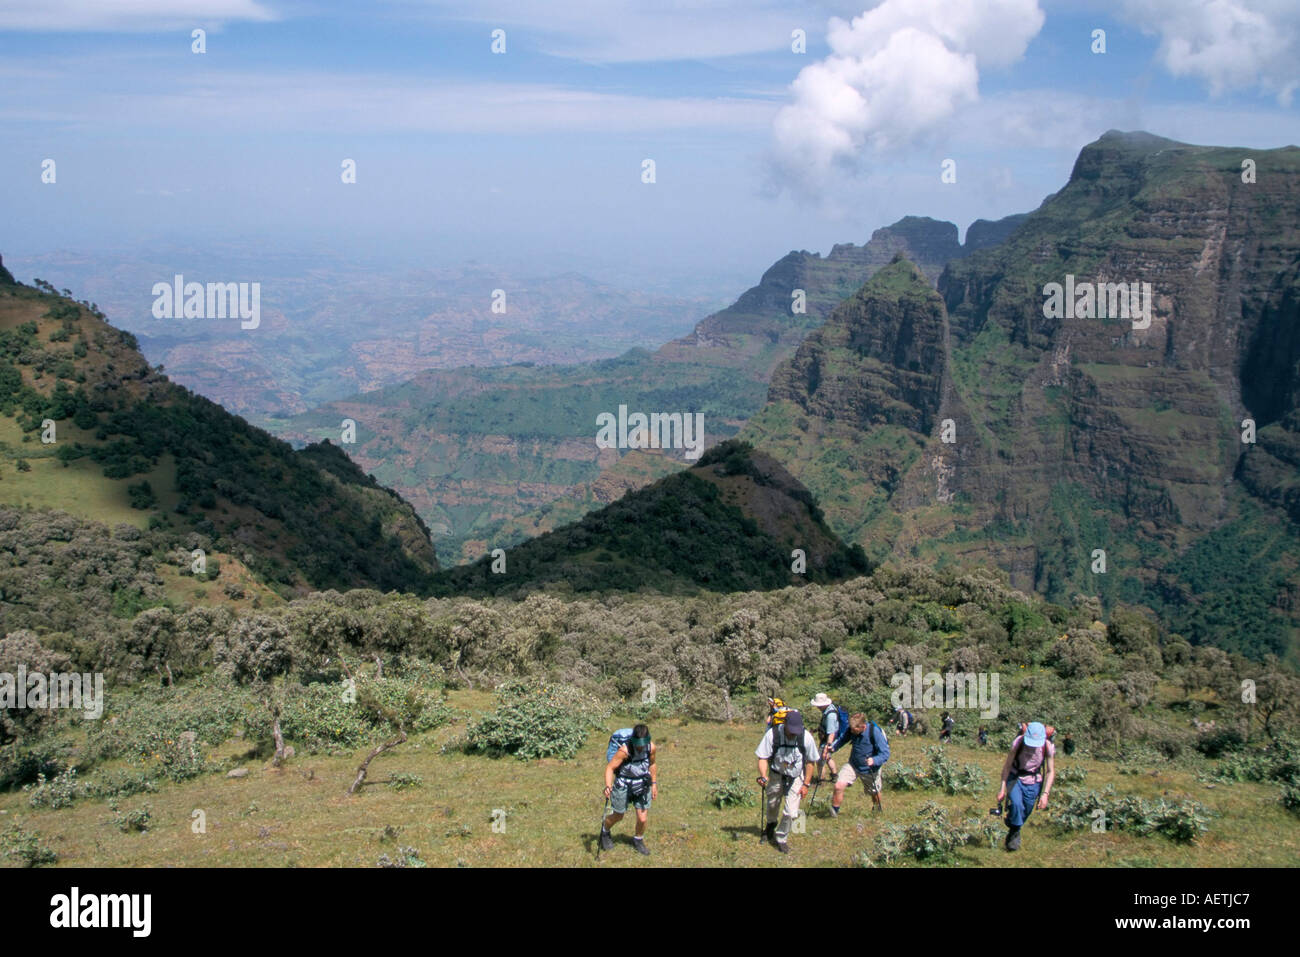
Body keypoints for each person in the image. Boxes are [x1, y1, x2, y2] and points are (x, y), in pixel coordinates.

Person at [755, 710, 819, 854]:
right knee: (772, 804)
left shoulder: (806, 737)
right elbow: (763, 757)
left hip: (796, 778)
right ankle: (771, 824)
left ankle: (781, 838)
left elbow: (810, 762)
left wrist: (806, 784)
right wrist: (763, 776)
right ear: (784, 724)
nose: (794, 733)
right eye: (791, 730)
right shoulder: (773, 734)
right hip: (776, 775)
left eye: (797, 730)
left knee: (791, 812)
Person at [996, 721, 1055, 852]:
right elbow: (1007, 766)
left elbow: (1051, 771)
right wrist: (1002, 788)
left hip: (1034, 781)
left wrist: (1045, 794)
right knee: (1017, 804)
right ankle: (1014, 834)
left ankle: (1013, 825)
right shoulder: (1018, 743)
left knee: (1026, 810)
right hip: (1015, 777)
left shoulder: (1047, 746)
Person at [600, 723, 657, 856]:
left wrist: (654, 783)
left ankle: (638, 839)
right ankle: (605, 830)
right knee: (618, 815)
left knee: (642, 819)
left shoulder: (651, 747)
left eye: (643, 744)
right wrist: (608, 786)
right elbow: (610, 768)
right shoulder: (624, 750)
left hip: (642, 784)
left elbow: (652, 764)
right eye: (638, 744)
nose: (640, 747)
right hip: (623, 784)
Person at [827, 712, 890, 816]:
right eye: (851, 729)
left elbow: (885, 753)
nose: (851, 731)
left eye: (854, 730)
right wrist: (833, 748)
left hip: (870, 769)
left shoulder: (874, 732)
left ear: (863, 726)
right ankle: (834, 812)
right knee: (838, 785)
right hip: (853, 765)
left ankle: (877, 810)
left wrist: (874, 760)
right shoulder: (851, 729)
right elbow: (843, 739)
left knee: (874, 792)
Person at [810, 693, 841, 783]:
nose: (817, 707)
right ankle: (835, 776)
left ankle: (821, 780)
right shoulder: (830, 709)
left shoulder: (830, 715)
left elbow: (831, 732)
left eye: (819, 705)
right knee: (827, 758)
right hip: (828, 739)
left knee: (820, 760)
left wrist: (827, 747)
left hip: (828, 740)